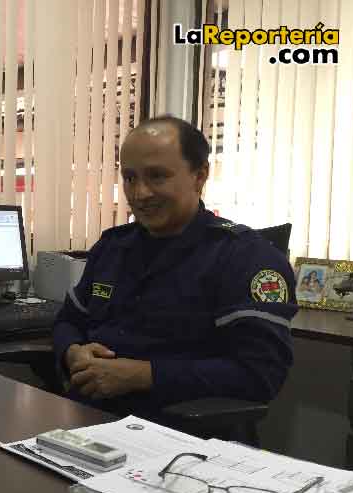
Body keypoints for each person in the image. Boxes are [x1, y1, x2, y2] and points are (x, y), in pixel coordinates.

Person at [54, 116, 298, 422]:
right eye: (130, 178)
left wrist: (144, 375)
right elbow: (68, 320)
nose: (140, 194)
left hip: (180, 438)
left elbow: (261, 374)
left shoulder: (245, 257)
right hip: (85, 420)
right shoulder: (113, 247)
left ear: (200, 176)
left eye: (157, 177)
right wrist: (72, 351)